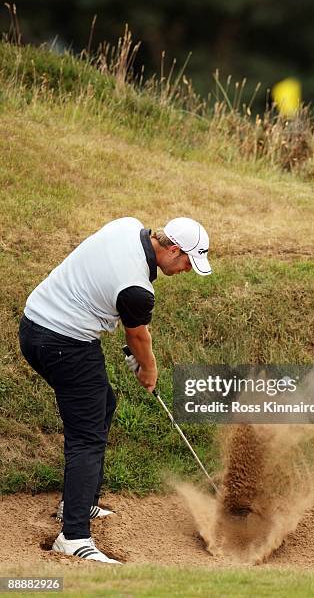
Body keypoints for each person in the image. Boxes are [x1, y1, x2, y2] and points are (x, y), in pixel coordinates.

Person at [19, 216, 211, 564]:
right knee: (87, 436)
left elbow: (103, 290)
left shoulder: (127, 225)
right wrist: (148, 370)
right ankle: (74, 535)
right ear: (172, 249)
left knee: (103, 404)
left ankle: (79, 503)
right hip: (63, 342)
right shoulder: (138, 289)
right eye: (186, 261)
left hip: (35, 325)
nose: (186, 270)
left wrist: (132, 354)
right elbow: (137, 335)